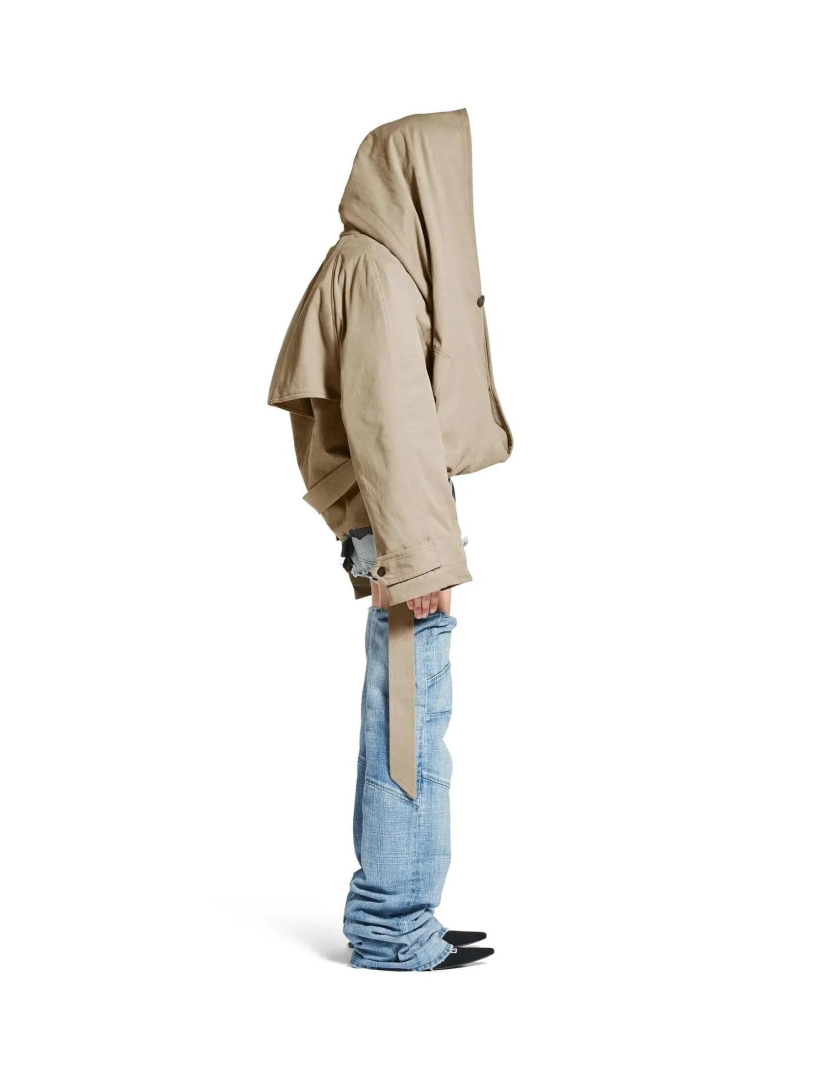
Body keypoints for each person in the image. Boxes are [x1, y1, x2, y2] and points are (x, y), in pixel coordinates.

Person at [266, 108, 514, 971]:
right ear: (415, 178)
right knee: (410, 716)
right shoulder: (375, 271)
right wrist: (418, 559)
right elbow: (391, 423)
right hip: (402, 523)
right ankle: (393, 926)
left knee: (405, 711)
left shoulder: (370, 262)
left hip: (399, 518)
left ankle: (399, 912)